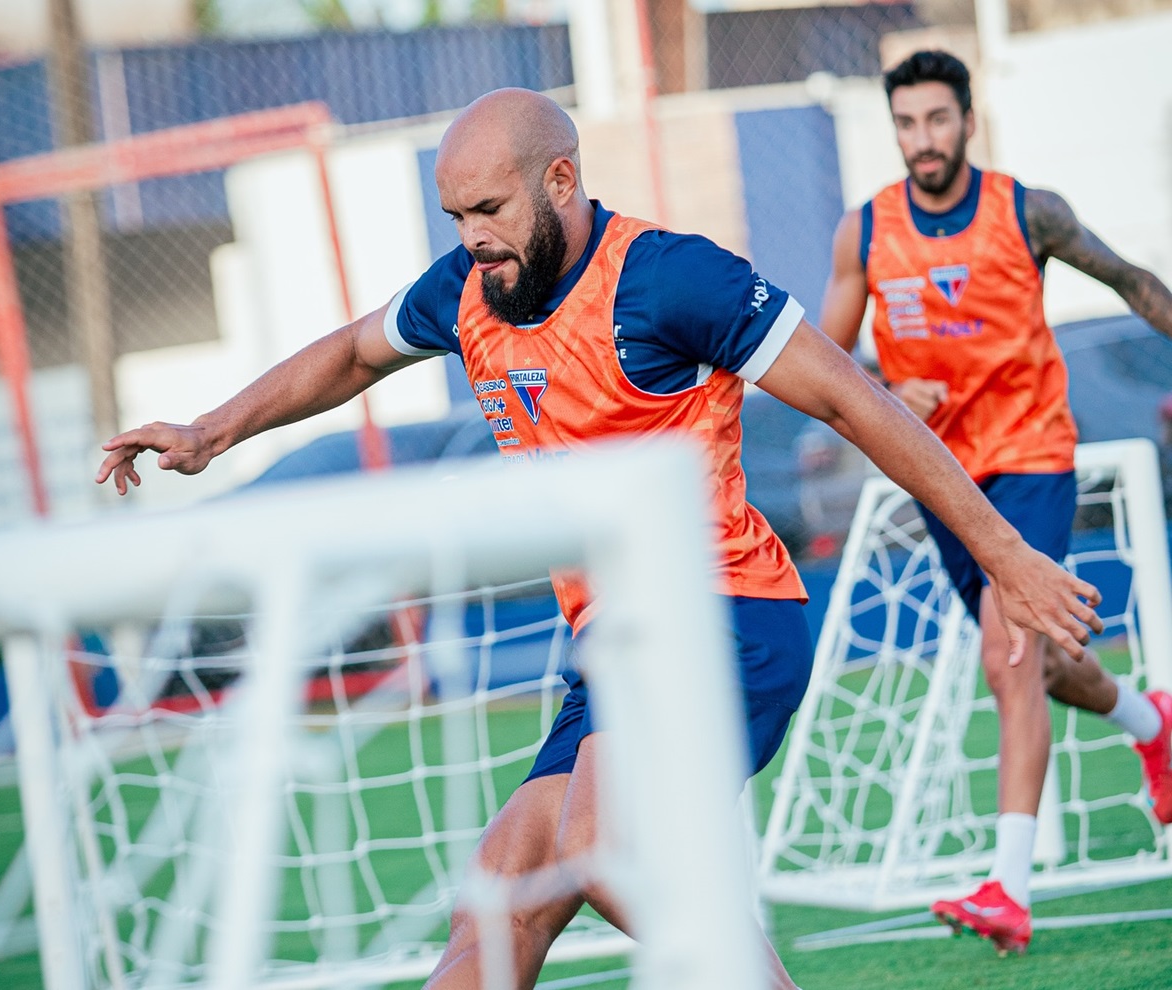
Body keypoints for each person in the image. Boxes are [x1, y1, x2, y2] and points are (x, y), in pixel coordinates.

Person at [97, 88, 1104, 989]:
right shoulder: (468, 291)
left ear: (562, 180)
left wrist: (1008, 556)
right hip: (610, 652)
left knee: (604, 851)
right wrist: (210, 431)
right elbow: (355, 353)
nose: (472, 237)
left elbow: (855, 400)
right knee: (500, 904)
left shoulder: (671, 282)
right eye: (455, 215)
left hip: (726, 615)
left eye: (489, 210)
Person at [818, 49, 1172, 957]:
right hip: (940, 475)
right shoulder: (865, 233)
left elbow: (1133, 282)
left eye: (937, 120)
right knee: (1042, 664)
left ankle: (1007, 889)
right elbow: (823, 360)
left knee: (1011, 653)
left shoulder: (1029, 211)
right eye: (905, 124)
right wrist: (888, 389)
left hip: (1032, 458)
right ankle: (1153, 725)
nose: (922, 140)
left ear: (968, 121)